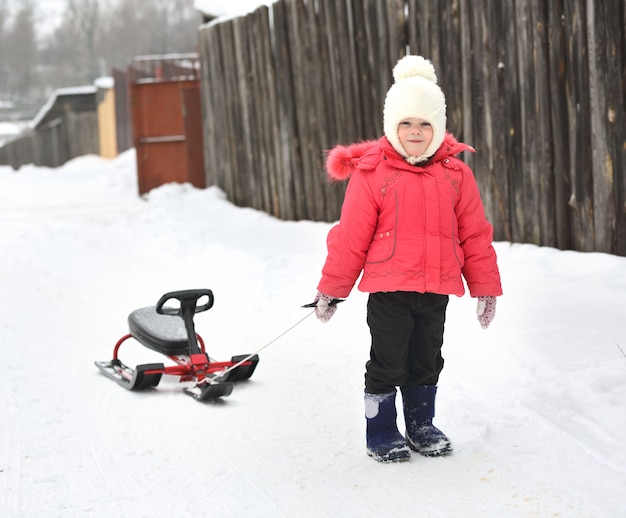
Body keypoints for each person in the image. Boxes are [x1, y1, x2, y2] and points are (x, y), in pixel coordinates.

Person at [312, 55, 502, 463]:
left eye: (424, 124)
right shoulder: (372, 173)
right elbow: (351, 237)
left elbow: (474, 234)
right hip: (389, 291)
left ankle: (420, 424)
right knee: (388, 360)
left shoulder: (456, 175)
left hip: (436, 291)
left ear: (438, 127)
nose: (415, 132)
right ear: (391, 125)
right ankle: (380, 430)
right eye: (406, 123)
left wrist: (485, 287)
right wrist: (332, 288)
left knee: (427, 358)